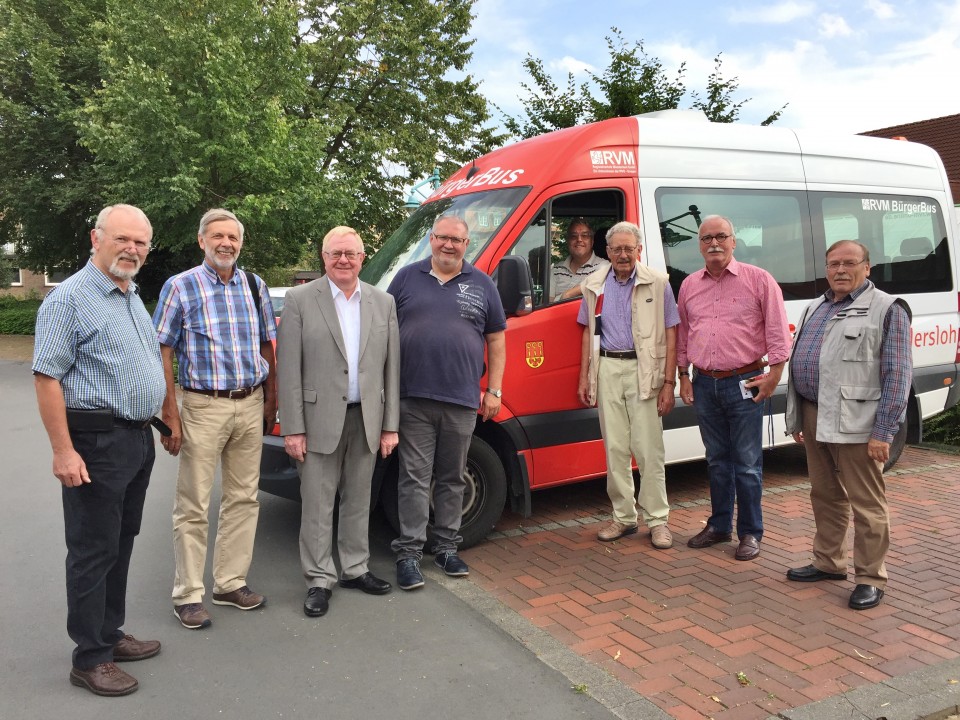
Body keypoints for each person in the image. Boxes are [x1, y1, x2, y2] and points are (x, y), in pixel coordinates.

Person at [33, 204, 166, 696]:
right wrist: (63, 451)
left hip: (134, 438)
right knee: (92, 549)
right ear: (96, 237)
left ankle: (109, 635)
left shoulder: (129, 295)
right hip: (94, 441)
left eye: (140, 243)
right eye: (122, 239)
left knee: (121, 541)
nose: (132, 249)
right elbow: (47, 378)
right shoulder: (69, 299)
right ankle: (89, 658)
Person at [154, 208, 277, 629]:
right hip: (202, 406)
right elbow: (162, 351)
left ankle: (229, 583)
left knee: (244, 498)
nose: (227, 243)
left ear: (241, 243)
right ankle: (188, 594)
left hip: (249, 402)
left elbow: (266, 345)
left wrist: (270, 400)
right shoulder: (180, 286)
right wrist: (170, 411)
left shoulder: (254, 285)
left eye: (233, 237)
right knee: (193, 503)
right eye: (218, 236)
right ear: (202, 241)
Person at [277, 227, 400, 617]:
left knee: (359, 500)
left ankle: (355, 568)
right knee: (316, 503)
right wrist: (292, 427)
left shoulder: (383, 302)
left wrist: (390, 425)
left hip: (367, 417)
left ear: (363, 257)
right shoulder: (299, 300)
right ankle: (318, 578)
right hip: (316, 422)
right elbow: (288, 369)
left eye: (351, 253)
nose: (343, 260)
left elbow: (391, 369)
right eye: (335, 253)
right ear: (323, 257)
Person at [784, 240, 911, 610]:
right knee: (824, 494)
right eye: (833, 263)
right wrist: (798, 417)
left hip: (859, 421)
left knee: (867, 502)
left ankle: (871, 578)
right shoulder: (815, 307)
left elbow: (897, 374)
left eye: (849, 263)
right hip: (814, 412)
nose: (840, 270)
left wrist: (883, 432)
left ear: (867, 267)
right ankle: (828, 562)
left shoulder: (887, 308)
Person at [387, 215, 506, 590]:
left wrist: (494, 390)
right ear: (431, 239)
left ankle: (446, 548)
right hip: (413, 398)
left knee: (453, 477)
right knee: (414, 478)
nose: (448, 245)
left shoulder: (483, 284)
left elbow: (498, 341)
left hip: (461, 399)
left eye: (456, 240)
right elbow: (383, 330)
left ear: (466, 244)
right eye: (442, 238)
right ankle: (409, 553)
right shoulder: (406, 278)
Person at [677, 215, 791, 561]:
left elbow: (778, 333)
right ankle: (719, 525)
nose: (714, 243)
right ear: (699, 244)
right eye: (706, 238)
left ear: (733, 241)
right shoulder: (689, 286)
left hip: (745, 381)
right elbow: (683, 334)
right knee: (716, 460)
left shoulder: (759, 280)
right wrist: (683, 374)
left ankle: (750, 532)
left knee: (747, 463)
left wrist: (774, 375)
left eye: (720, 236)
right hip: (704, 382)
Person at [576, 222, 678, 549]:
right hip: (607, 367)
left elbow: (672, 333)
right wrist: (584, 376)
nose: (622, 254)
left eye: (628, 248)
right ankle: (623, 517)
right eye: (616, 249)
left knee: (649, 449)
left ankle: (658, 520)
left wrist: (668, 382)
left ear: (639, 250)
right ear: (607, 252)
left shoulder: (658, 283)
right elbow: (586, 332)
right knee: (615, 448)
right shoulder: (594, 286)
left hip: (644, 369)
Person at [551, 219, 610, 301]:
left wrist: (568, 295)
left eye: (585, 236)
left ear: (592, 242)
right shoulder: (556, 270)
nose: (579, 240)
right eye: (574, 236)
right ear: (568, 241)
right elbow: (547, 306)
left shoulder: (604, 267)